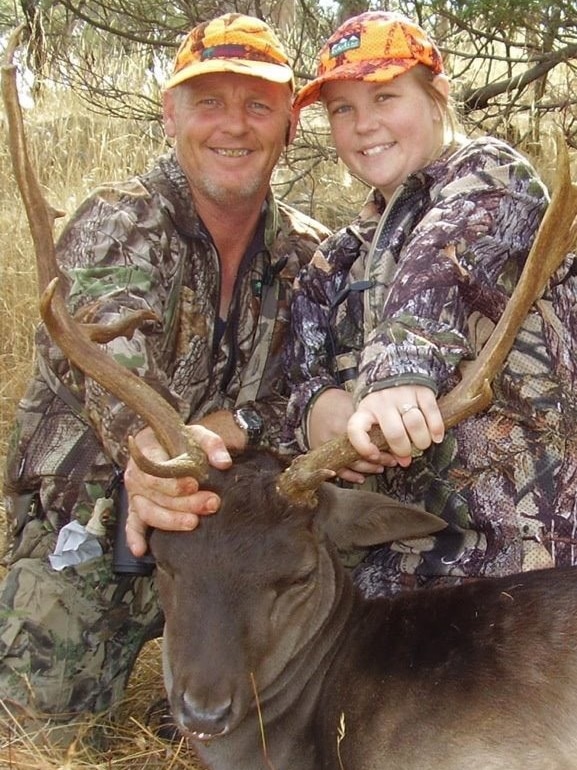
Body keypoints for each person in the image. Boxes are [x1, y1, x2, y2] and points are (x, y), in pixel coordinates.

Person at [0, 12, 330, 727]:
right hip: (99, 535)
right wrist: (147, 446)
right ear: (169, 115)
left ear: (289, 124)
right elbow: (106, 364)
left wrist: (235, 424)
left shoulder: (312, 256)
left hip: (243, 548)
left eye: (256, 105)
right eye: (208, 101)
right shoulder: (117, 221)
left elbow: (316, 392)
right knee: (36, 724)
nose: (232, 126)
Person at [285, 10, 577, 597]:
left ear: (438, 96)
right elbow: (298, 375)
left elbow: (443, 260)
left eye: (386, 98)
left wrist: (400, 372)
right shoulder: (336, 262)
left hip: (533, 572)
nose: (365, 125)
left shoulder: (493, 178)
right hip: (391, 582)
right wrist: (316, 412)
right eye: (343, 109)